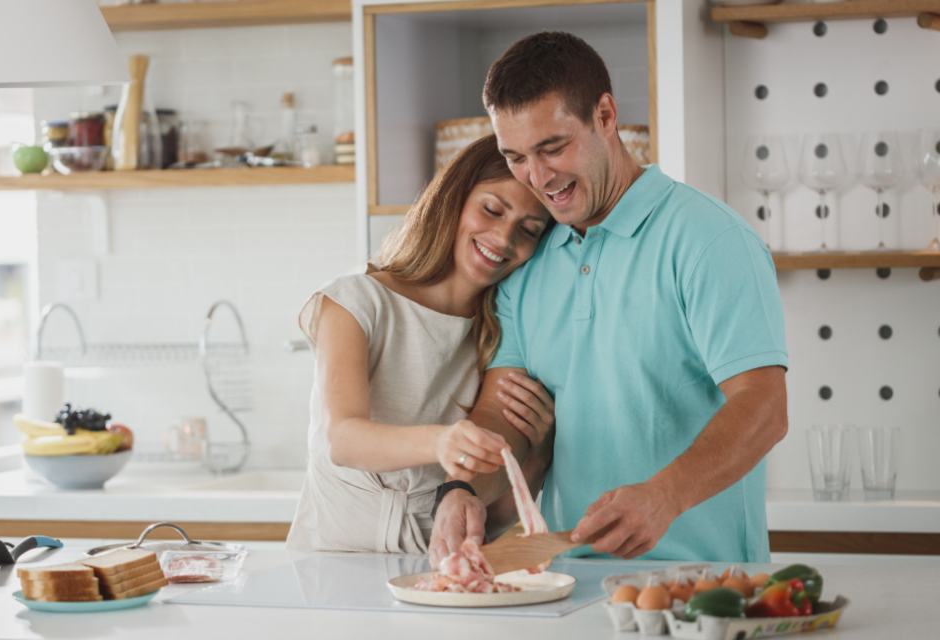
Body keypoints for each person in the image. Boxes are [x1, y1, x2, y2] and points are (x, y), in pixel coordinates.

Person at [428, 32, 788, 566]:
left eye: (553, 147)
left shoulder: (710, 241)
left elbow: (764, 406)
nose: (539, 177)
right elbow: (504, 413)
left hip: (704, 584)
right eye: (516, 157)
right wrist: (459, 491)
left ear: (605, 115)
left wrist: (665, 494)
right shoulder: (527, 262)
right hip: (570, 587)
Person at [286, 135, 555, 553]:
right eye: (492, 209)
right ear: (454, 198)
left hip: (432, 575)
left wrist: (537, 460)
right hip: (329, 566)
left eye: (529, 230)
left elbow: (490, 520)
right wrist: (440, 441)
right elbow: (343, 439)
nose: (503, 239)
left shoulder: (502, 336)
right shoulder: (354, 301)